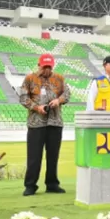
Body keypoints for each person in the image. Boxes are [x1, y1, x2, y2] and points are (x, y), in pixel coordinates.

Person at [19, 54, 71, 196]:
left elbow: (67, 94)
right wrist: (37, 107)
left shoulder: (59, 78)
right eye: (44, 66)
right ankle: (30, 185)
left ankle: (52, 184)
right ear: (39, 65)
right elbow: (23, 98)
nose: (47, 69)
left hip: (55, 122)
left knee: (53, 155)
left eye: (49, 66)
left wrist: (58, 101)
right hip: (36, 123)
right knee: (34, 156)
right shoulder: (30, 78)